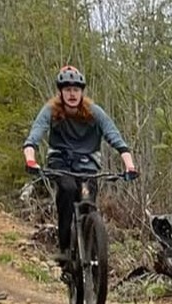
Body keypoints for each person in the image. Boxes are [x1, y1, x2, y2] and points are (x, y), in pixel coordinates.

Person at [23, 65, 138, 266]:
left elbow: (115, 137)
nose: (72, 94)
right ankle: (65, 249)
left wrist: (130, 166)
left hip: (87, 165)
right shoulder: (51, 111)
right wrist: (31, 160)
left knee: (87, 198)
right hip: (60, 163)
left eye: (76, 89)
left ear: (82, 92)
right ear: (60, 92)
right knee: (67, 190)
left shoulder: (94, 112)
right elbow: (34, 137)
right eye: (67, 89)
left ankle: (93, 253)